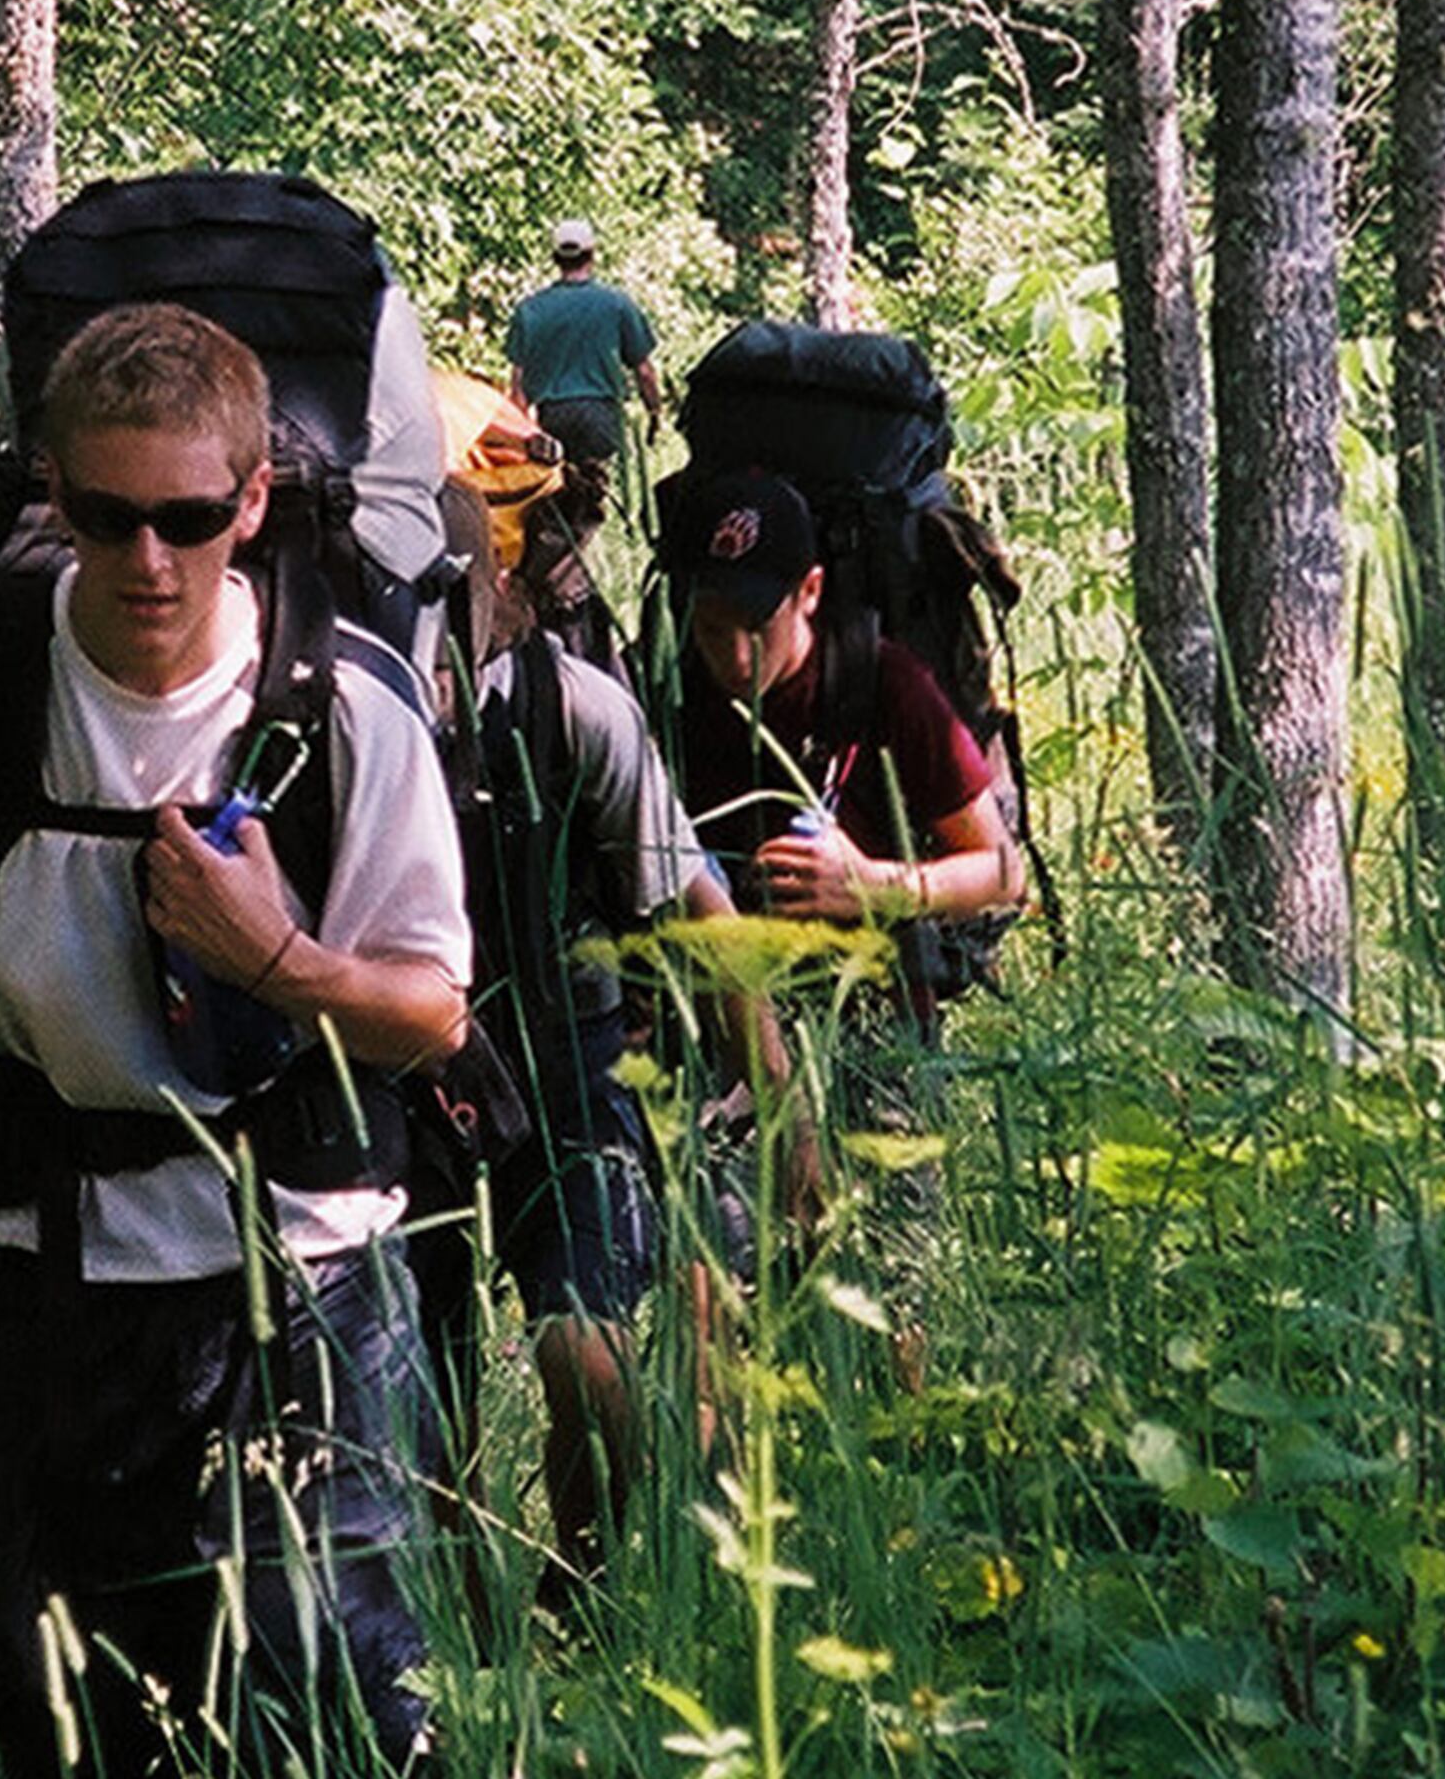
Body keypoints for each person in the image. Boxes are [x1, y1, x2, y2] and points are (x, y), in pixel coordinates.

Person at [0, 302, 473, 1775]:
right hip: (53, 1289)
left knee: (323, 1730)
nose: (149, 560)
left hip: (304, 1287)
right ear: (55, 490)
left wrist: (274, 960)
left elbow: (432, 1017)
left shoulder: (347, 709)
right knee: (39, 1717)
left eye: (188, 518)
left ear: (253, 500)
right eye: (108, 517)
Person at [411, 505, 750, 1614]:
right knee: (427, 1395)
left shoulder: (575, 706)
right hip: (401, 1071)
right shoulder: (356, 709)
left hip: (567, 1057)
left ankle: (585, 1592)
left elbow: (697, 904)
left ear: (502, 590)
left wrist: (781, 1098)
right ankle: (471, 1632)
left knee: (588, 1356)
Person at [660, 468, 1015, 1324]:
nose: (732, 657)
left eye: (755, 628)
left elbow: (1000, 871)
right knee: (719, 1299)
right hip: (727, 1037)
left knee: (895, 1295)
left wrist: (875, 885)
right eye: (710, 629)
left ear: (810, 593)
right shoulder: (672, 697)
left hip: (875, 1026)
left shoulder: (884, 685)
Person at [503, 220, 665, 490]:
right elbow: (644, 372)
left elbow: (517, 389)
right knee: (596, 490)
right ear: (592, 255)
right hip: (600, 413)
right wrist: (655, 412)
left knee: (559, 493)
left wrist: (522, 436)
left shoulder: (530, 310)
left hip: (552, 416)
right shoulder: (617, 304)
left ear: (556, 258)